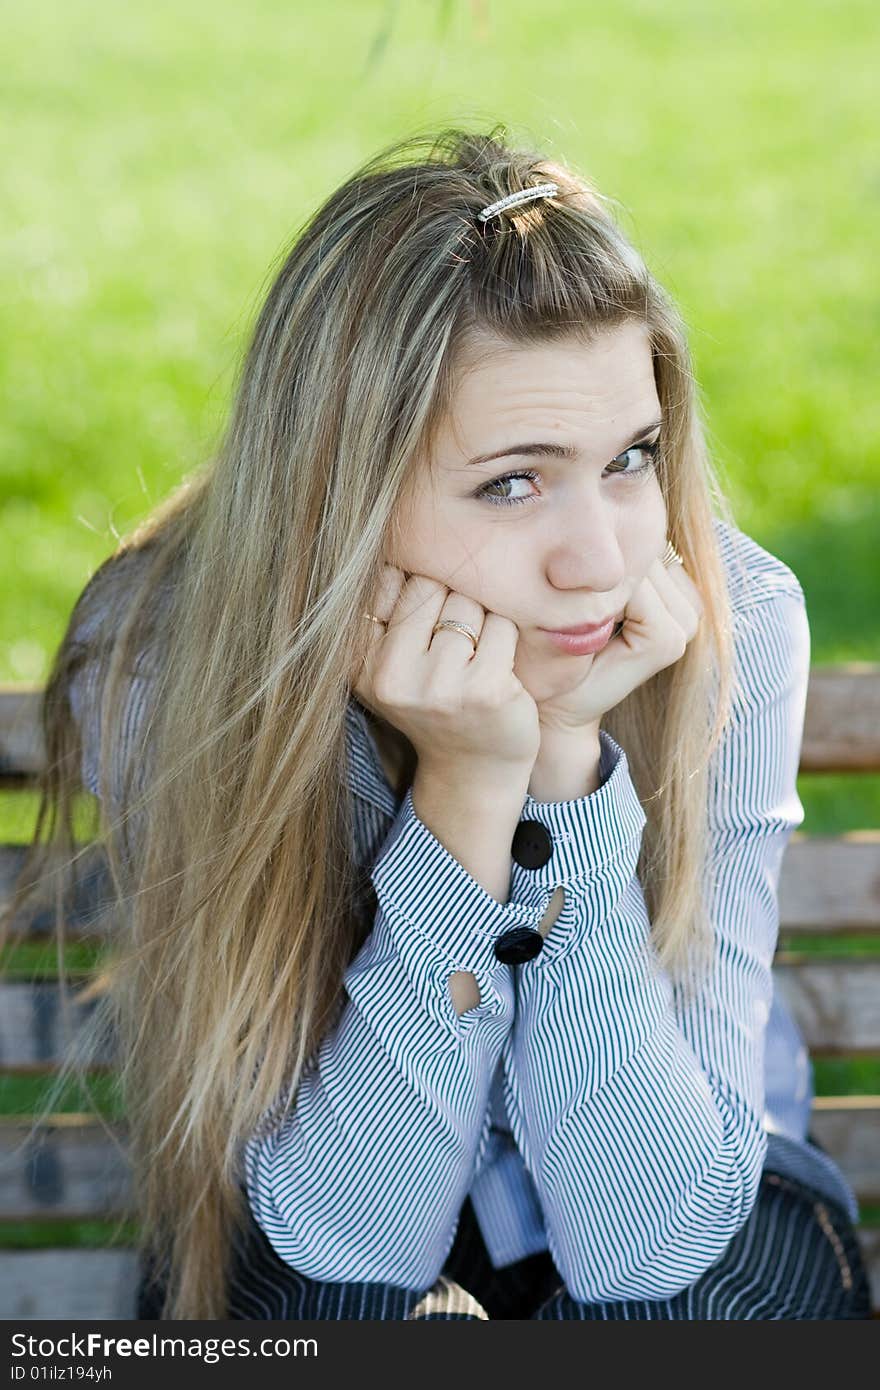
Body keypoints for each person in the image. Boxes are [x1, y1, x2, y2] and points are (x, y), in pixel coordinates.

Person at [6, 127, 871, 1320]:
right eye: (511, 481)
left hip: (691, 1189)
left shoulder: (730, 618)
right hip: (326, 1193)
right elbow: (348, 1238)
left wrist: (565, 765)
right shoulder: (167, 659)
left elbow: (647, 1242)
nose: (601, 561)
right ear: (339, 493)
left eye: (631, 458)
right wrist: (467, 793)